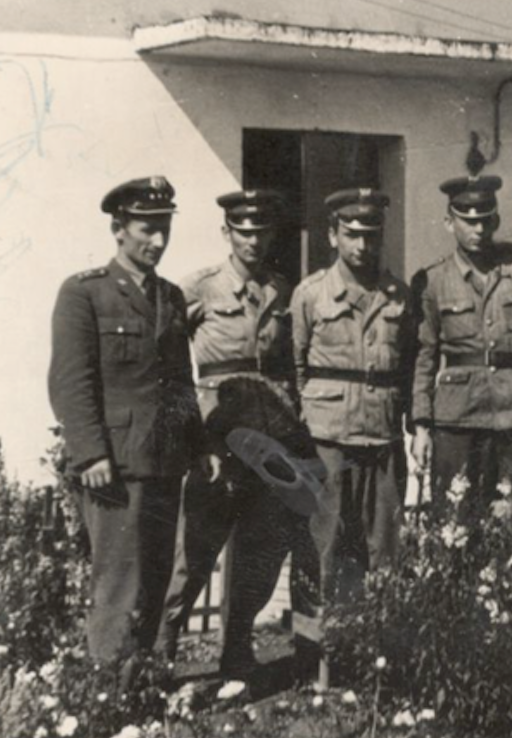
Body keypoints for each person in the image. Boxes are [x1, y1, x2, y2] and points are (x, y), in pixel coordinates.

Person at [156, 189, 320, 678]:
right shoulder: (198, 290)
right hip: (218, 443)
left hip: (268, 446)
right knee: (195, 555)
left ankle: (237, 651)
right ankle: (159, 657)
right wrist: (189, 434)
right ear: (227, 232)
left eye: (261, 230)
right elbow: (167, 364)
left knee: (261, 552)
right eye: (242, 230)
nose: (252, 239)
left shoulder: (282, 291)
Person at [48, 176, 206, 676]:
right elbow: (71, 381)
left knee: (157, 578)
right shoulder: (84, 293)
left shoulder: (172, 297)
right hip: (113, 465)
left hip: (164, 461)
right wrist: (90, 453)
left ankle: (139, 686)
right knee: (118, 584)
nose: (158, 241)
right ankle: (107, 700)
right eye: (147, 229)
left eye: (165, 229)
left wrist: (198, 446)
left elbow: (182, 382)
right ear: (118, 228)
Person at [410, 174, 512, 517]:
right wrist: (421, 425)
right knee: (454, 515)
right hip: (457, 416)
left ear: (495, 219)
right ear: (450, 223)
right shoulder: (433, 280)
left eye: (484, 220)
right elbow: (424, 356)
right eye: (468, 221)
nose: (478, 230)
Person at [291, 187, 413, 611]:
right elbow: (296, 369)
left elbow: (408, 366)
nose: (362, 246)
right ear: (332, 236)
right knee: (322, 545)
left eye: (372, 235)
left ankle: (374, 650)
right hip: (328, 439)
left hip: (381, 438)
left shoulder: (398, 296)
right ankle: (316, 656)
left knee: (384, 548)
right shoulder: (310, 295)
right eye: (352, 234)